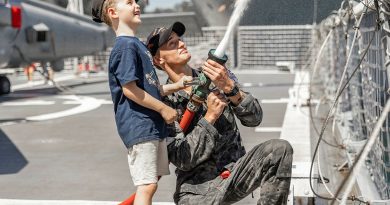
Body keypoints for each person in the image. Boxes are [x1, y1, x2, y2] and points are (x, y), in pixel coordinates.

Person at [146, 22, 294, 205]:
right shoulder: (163, 103)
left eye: (180, 40)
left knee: (279, 149)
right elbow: (183, 159)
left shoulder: (217, 77)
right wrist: (210, 117)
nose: (182, 44)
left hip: (235, 173)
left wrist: (231, 89)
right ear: (159, 60)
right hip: (197, 190)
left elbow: (255, 118)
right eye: (172, 44)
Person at [91, 2, 191, 205]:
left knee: (150, 183)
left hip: (151, 126)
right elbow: (130, 90)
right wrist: (164, 108)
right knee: (147, 185)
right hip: (140, 125)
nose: (136, 4)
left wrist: (177, 85)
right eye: (129, 2)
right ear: (113, 12)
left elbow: (150, 89)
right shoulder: (125, 46)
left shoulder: (135, 45)